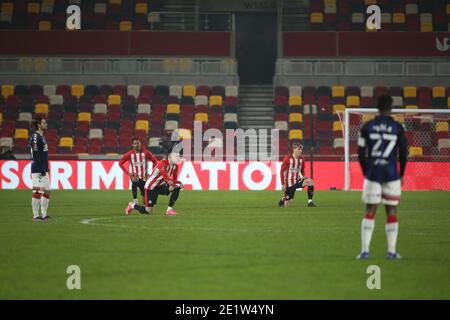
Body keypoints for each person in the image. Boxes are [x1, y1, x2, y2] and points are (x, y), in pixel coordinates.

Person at [356, 94, 408, 260]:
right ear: (391, 107)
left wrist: (366, 171)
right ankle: (391, 252)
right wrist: (401, 174)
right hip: (391, 173)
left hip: (373, 173)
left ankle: (365, 251)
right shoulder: (398, 127)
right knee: (391, 210)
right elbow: (404, 153)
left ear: (376, 107)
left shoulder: (367, 126)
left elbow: (360, 154)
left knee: (370, 210)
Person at [125, 141, 183, 216]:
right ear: (170, 156)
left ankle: (169, 210)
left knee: (176, 187)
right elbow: (166, 179)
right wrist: (174, 182)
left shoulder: (175, 166)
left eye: (179, 156)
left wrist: (178, 183)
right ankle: (132, 205)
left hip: (161, 186)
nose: (178, 158)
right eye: (176, 157)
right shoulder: (162, 164)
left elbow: (173, 181)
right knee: (148, 211)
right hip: (151, 188)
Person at [119, 137, 158, 205]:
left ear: (140, 144)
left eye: (138, 143)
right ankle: (135, 199)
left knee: (145, 200)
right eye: (135, 143)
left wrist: (152, 173)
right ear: (132, 145)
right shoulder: (129, 154)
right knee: (134, 180)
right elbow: (120, 163)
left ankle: (144, 198)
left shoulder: (146, 152)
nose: (137, 145)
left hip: (144, 177)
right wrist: (128, 173)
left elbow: (155, 161)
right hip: (135, 175)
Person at [278, 142, 316, 208]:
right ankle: (283, 199)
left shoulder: (302, 159)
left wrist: (303, 176)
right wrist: (283, 184)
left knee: (310, 182)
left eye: (301, 149)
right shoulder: (287, 159)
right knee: (288, 205)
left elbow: (302, 170)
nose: (300, 151)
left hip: (298, 180)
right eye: (299, 149)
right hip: (289, 183)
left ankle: (310, 201)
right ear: (294, 149)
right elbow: (282, 171)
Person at [29, 117, 51, 221]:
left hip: (44, 168)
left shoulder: (42, 136)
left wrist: (46, 168)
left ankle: (44, 214)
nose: (46, 124)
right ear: (38, 124)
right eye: (44, 122)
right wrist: (41, 168)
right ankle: (35, 215)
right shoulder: (35, 137)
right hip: (38, 169)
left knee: (47, 191)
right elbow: (36, 154)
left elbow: (43, 154)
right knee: (38, 191)